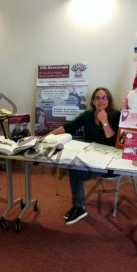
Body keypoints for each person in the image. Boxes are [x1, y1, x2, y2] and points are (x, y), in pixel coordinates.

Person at [51, 87, 121, 225]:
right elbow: (69, 127)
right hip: (90, 155)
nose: (101, 101)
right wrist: (49, 135)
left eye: (104, 97)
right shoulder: (88, 115)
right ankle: (79, 206)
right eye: (97, 98)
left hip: (109, 162)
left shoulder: (116, 115)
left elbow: (114, 141)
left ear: (109, 100)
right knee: (74, 166)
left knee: (76, 171)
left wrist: (104, 121)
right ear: (93, 101)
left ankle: (79, 206)